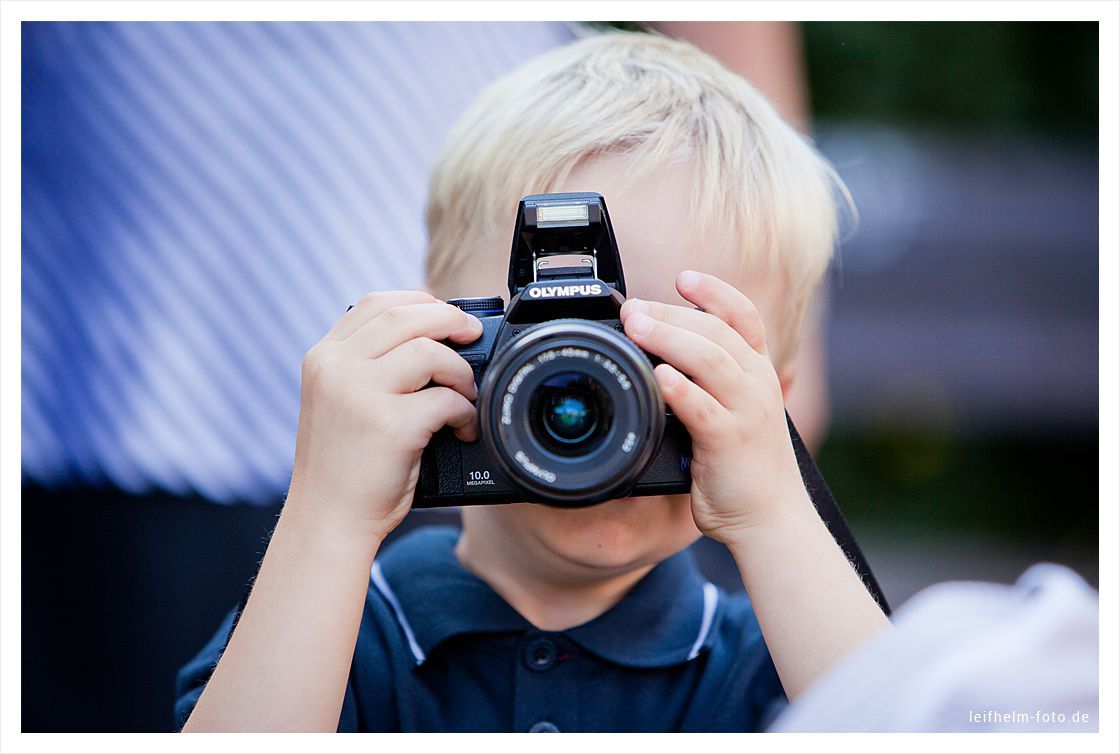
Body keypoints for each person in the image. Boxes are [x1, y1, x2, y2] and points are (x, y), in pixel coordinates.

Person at [176, 30, 889, 732]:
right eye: (544, 341)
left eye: (667, 353)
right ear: (441, 337)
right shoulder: (330, 629)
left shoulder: (783, 661)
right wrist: (328, 514)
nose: (603, 399)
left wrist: (773, 515)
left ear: (775, 400)